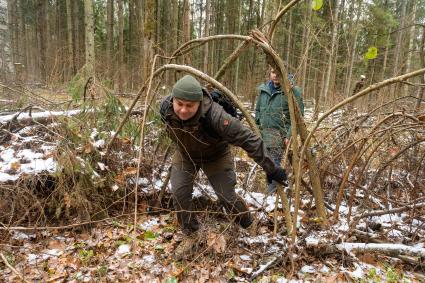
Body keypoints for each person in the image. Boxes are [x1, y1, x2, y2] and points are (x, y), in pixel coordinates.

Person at [160, 75, 287, 258]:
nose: (183, 110)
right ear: (173, 99)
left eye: (190, 106)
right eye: (179, 104)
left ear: (199, 102)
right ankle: (192, 234)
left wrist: (272, 168)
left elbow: (248, 139)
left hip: (216, 156)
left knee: (226, 196)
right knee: (179, 193)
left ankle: (247, 223)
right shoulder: (165, 109)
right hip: (185, 154)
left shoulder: (216, 116)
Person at [255, 67, 304, 193]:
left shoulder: (292, 91)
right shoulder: (263, 90)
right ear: (269, 73)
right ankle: (275, 190)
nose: (275, 75)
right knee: (267, 163)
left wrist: (289, 135)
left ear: (284, 73)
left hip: (280, 135)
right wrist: (257, 127)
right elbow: (258, 110)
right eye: (273, 72)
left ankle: (272, 193)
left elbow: (299, 117)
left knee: (274, 163)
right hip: (264, 134)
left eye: (278, 72)